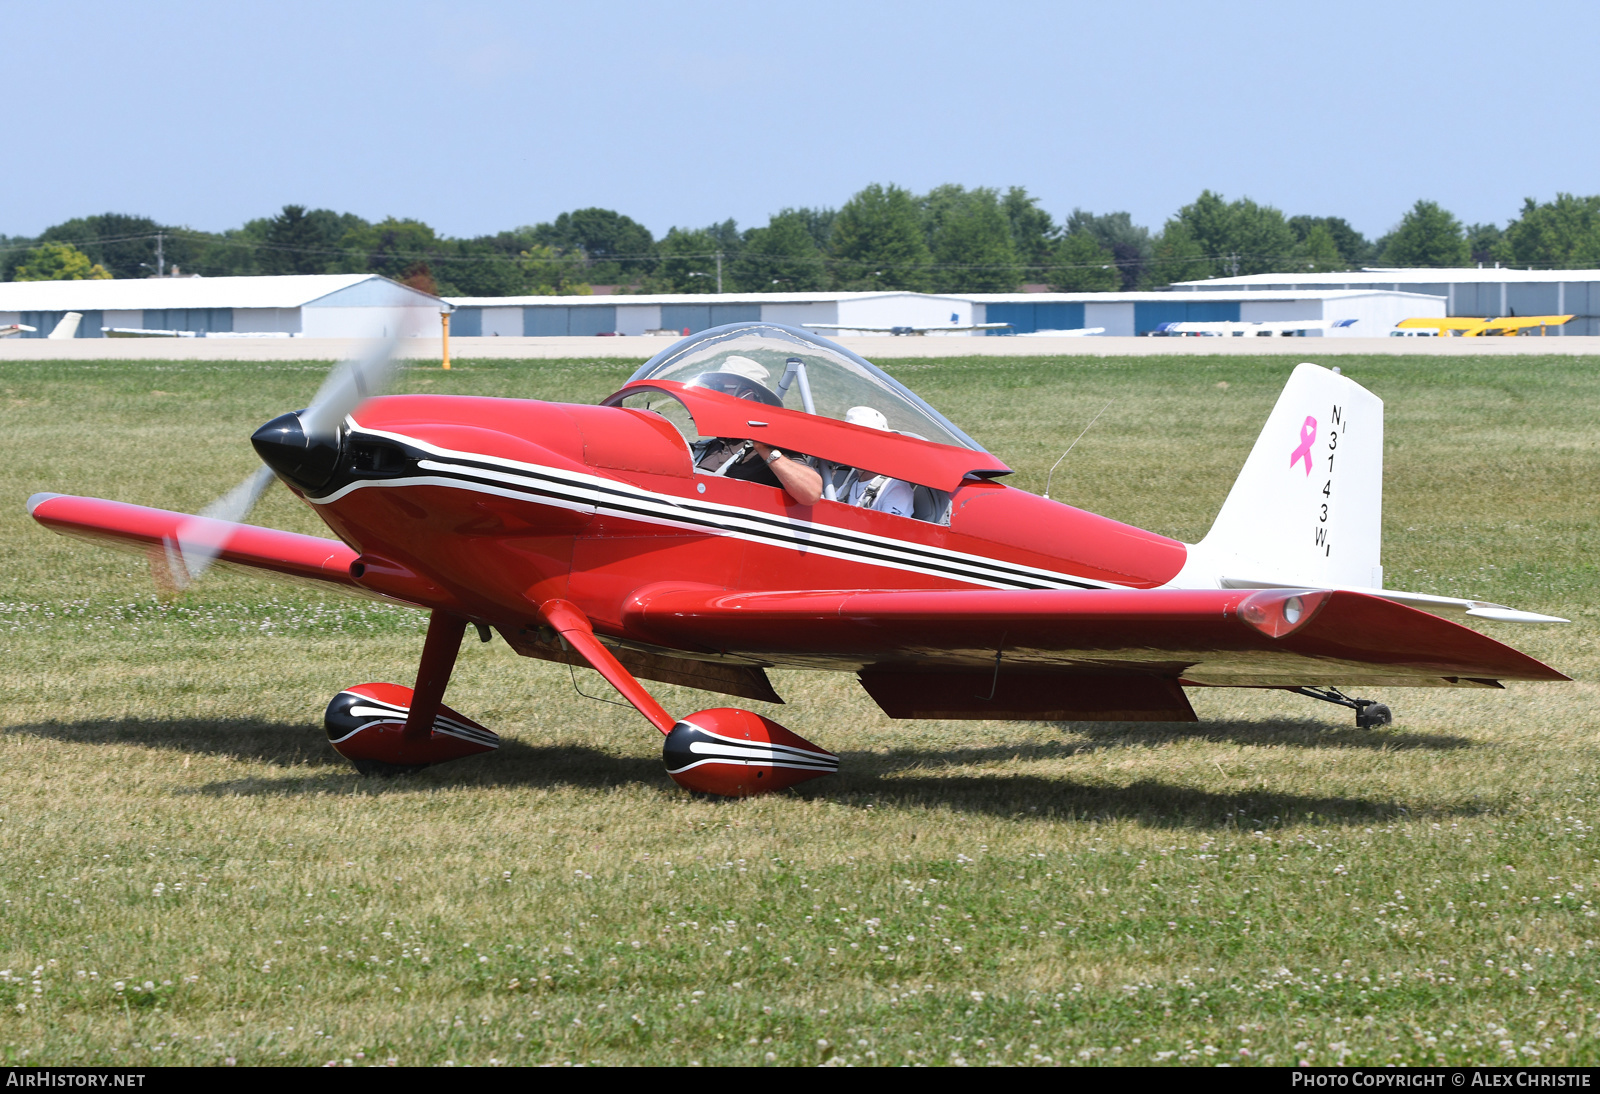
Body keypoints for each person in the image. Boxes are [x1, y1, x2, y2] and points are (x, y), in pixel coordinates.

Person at [688, 356, 824, 505]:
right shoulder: (706, 448)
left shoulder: (769, 448)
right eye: (712, 388)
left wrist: (766, 451)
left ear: (749, 395)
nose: (710, 394)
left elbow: (811, 493)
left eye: (719, 388)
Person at [840, 405, 915, 517]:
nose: (856, 447)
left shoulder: (895, 488)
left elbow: (892, 530)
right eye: (852, 441)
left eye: (865, 442)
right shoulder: (848, 486)